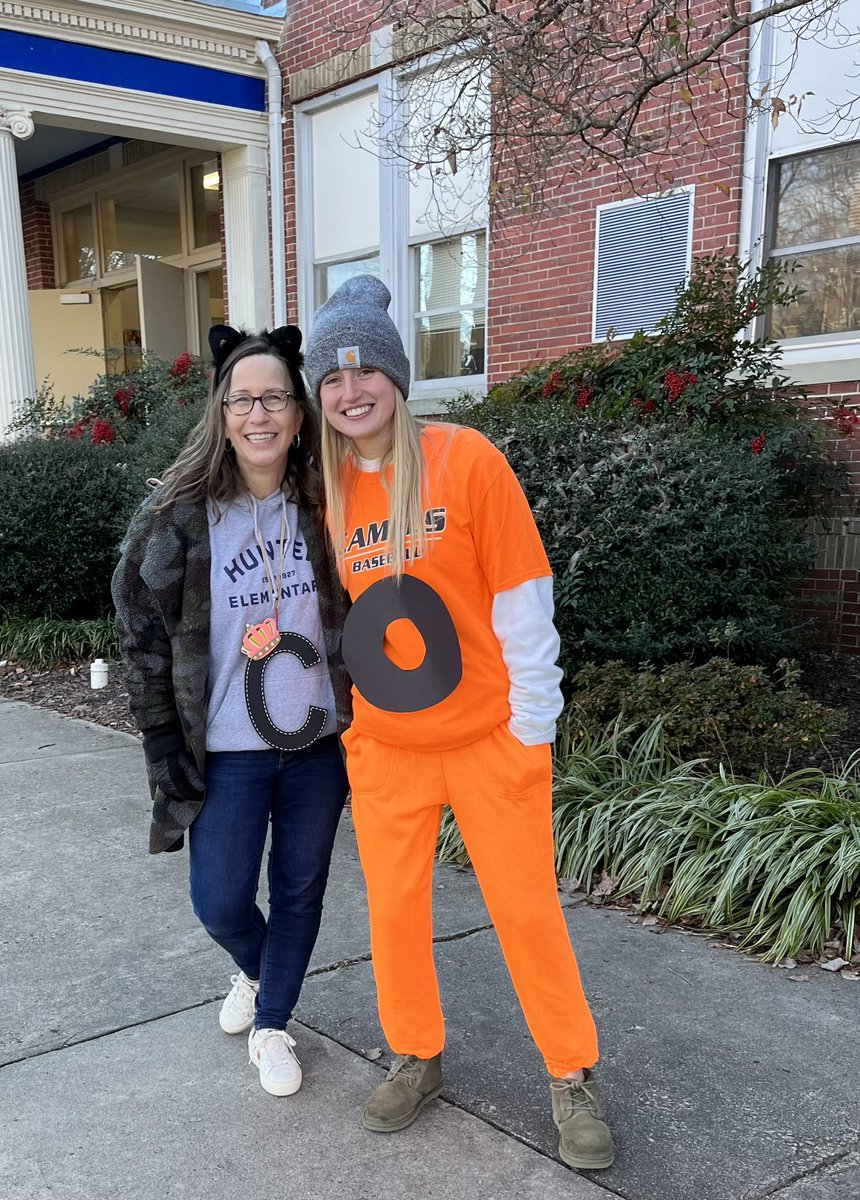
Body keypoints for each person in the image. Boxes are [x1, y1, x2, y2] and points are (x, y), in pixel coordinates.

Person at [304, 275, 615, 1172]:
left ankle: (570, 1073)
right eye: (331, 379)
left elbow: (524, 598)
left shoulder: (467, 458)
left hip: (487, 740)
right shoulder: (325, 494)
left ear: (397, 380)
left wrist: (532, 726)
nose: (350, 392)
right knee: (395, 914)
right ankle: (416, 1053)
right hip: (390, 750)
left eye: (365, 375)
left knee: (525, 909)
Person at [112, 324, 351, 1098]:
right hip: (228, 747)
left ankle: (274, 1020)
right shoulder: (178, 521)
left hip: (316, 744)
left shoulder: (328, 505)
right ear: (220, 411)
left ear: (299, 412)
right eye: (243, 398)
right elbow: (141, 635)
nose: (260, 414)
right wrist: (162, 750)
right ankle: (256, 973)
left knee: (300, 889)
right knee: (218, 899)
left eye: (276, 397)